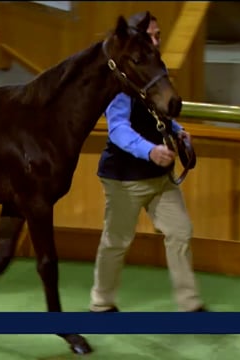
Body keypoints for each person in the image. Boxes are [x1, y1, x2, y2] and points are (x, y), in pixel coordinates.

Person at [89, 12, 207, 313]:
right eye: (151, 35)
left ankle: (190, 305)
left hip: (160, 178)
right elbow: (117, 128)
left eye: (158, 35)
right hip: (124, 178)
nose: (156, 40)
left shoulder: (156, 70)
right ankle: (101, 304)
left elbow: (162, 117)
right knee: (117, 242)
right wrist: (150, 151)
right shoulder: (121, 77)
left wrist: (179, 133)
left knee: (180, 231)